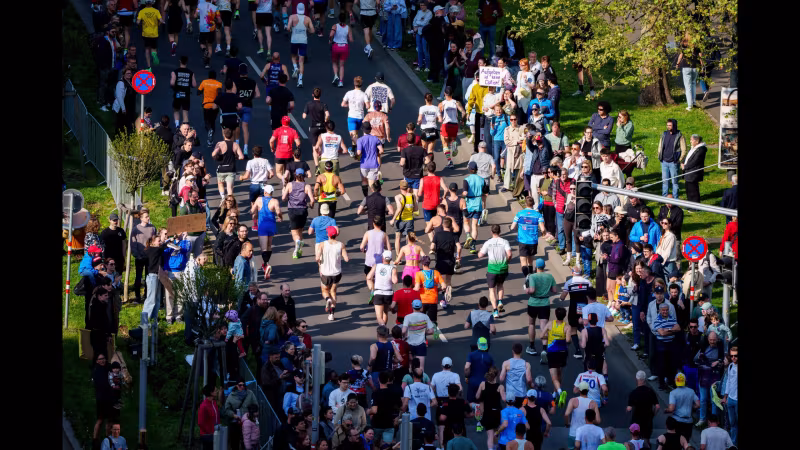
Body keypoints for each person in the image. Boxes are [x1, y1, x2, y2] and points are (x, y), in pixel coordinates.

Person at [282, 169, 315, 259]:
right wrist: (311, 205)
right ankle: (298, 250)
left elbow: (284, 198)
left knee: (294, 232)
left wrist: (286, 197)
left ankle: (297, 243)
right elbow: (312, 200)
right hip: (303, 210)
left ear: (295, 175)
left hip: (293, 210)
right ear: (303, 175)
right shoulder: (307, 186)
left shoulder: (289, 185)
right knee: (300, 230)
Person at [626, 371, 659, 447]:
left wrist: (627, 411)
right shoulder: (650, 391)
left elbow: (629, 408)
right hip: (648, 419)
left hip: (636, 420)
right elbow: (657, 406)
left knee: (635, 441)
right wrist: (653, 414)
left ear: (636, 379)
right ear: (645, 379)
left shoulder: (633, 393)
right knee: (646, 439)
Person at [656, 119, 687, 198]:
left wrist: (679, 160)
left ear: (674, 126)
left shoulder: (679, 136)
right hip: (664, 162)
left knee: (674, 182)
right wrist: (660, 155)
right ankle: (664, 198)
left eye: (670, 125)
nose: (668, 127)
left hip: (674, 162)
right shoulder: (664, 134)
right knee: (665, 182)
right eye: (667, 125)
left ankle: (675, 199)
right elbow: (660, 146)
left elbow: (684, 150)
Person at [665, 372, 700, 443]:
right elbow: (698, 404)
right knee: (686, 442)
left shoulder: (673, 393)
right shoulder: (691, 391)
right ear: (685, 381)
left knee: (677, 442)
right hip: (688, 422)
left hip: (677, 421)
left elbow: (671, 408)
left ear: (675, 381)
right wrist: (692, 408)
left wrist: (666, 410)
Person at [402, 300, 435, 371]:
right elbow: (431, 331)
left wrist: (404, 337)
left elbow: (404, 331)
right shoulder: (425, 317)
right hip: (421, 344)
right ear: (421, 308)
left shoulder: (407, 317)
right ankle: (420, 380)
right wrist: (424, 332)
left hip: (409, 343)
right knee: (421, 367)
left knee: (409, 366)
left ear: (412, 307)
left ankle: (410, 379)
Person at [286, 3, 314, 87]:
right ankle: (300, 80)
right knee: (301, 61)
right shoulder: (307, 19)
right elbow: (312, 31)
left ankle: (295, 68)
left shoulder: (292, 17)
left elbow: (288, 28)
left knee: (293, 56)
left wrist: (291, 29)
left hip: (294, 40)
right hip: (303, 41)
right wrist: (307, 29)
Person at [682, 134, 708, 203]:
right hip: (688, 172)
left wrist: (685, 167)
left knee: (693, 190)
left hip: (694, 173)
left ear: (697, 141)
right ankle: (690, 204)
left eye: (692, 140)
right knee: (688, 190)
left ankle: (695, 206)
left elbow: (695, 161)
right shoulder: (694, 148)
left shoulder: (701, 150)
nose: (690, 141)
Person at [198, 384, 220, 449]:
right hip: (207, 435)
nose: (217, 391)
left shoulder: (214, 403)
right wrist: (209, 431)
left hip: (214, 433)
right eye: (215, 390)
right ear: (211, 393)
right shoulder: (204, 406)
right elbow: (200, 422)